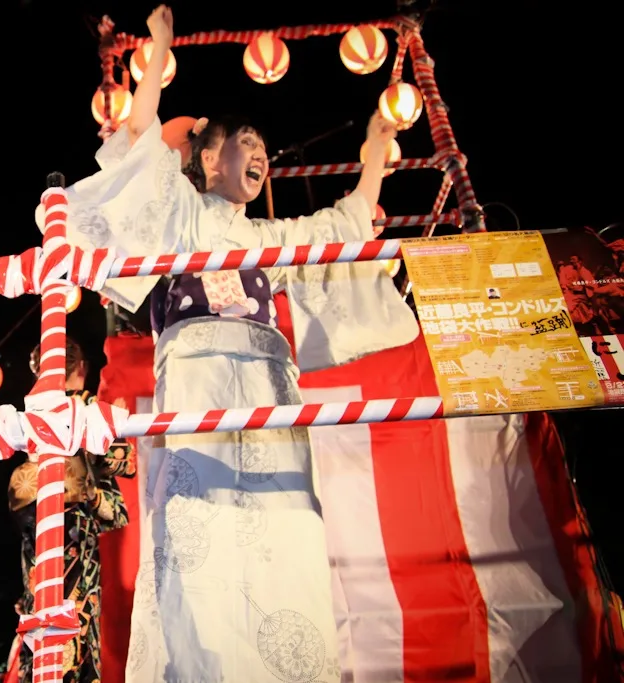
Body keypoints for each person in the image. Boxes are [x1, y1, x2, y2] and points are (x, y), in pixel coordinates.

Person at [39, 7, 421, 683]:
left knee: (287, 523)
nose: (260, 153)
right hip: (196, 375)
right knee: (198, 532)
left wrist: (373, 150)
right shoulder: (180, 213)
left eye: (262, 145)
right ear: (210, 157)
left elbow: (343, 222)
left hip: (270, 383)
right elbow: (137, 142)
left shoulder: (267, 239)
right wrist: (155, 51)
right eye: (246, 140)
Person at [7, 338, 135, 683]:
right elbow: (122, 464)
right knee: (58, 628)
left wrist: (88, 491)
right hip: (52, 534)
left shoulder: (38, 413)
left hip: (61, 541)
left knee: (59, 632)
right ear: (82, 369)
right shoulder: (77, 411)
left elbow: (120, 479)